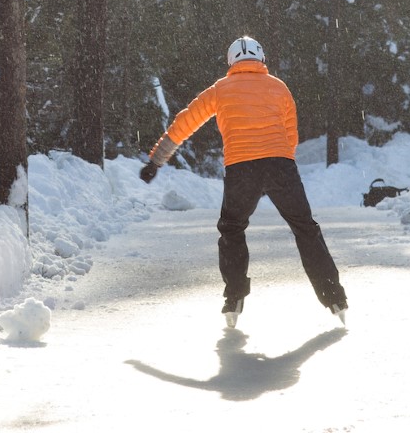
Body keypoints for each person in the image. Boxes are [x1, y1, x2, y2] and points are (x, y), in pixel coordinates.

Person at [139, 36, 347, 328]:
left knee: (232, 229)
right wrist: (279, 165)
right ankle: (334, 297)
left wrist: (155, 161)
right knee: (305, 228)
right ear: (261, 59)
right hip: (280, 165)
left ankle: (234, 298)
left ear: (231, 62)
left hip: (241, 168)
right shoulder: (279, 87)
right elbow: (291, 134)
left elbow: (185, 122)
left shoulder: (220, 90)